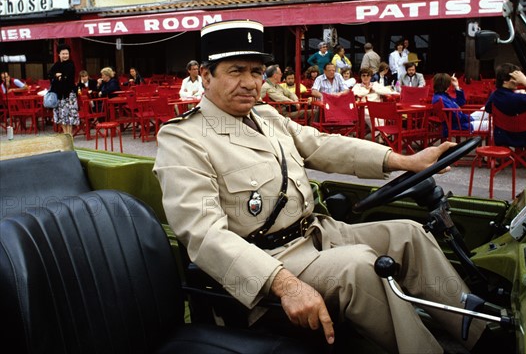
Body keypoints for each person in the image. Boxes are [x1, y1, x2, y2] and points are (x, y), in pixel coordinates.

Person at [153, 20, 486, 354]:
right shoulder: (184, 138)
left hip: (315, 235)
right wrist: (284, 284)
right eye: (236, 70)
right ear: (206, 76)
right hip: (268, 262)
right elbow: (204, 235)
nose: (250, 82)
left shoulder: (265, 116)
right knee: (359, 266)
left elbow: (320, 145)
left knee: (409, 235)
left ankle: (482, 336)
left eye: (257, 71)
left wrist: (404, 161)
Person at [485, 63, 526, 147]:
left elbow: (488, 108)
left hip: (501, 136)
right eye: (516, 78)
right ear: (505, 80)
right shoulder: (520, 99)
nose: (518, 81)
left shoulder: (494, 95)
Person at [48, 44, 79, 135]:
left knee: (69, 116)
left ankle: (69, 136)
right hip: (59, 95)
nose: (65, 55)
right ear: (59, 54)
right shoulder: (56, 65)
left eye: (67, 53)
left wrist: (58, 76)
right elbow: (50, 74)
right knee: (61, 116)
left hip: (69, 95)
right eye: (63, 53)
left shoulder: (70, 64)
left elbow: (66, 78)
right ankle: (66, 135)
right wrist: (57, 76)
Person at [432, 73, 473, 137]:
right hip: (460, 125)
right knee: (489, 123)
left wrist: (457, 87)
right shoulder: (442, 98)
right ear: (446, 85)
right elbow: (456, 117)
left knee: (484, 110)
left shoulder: (441, 96)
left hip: (462, 121)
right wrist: (469, 118)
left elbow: (460, 102)